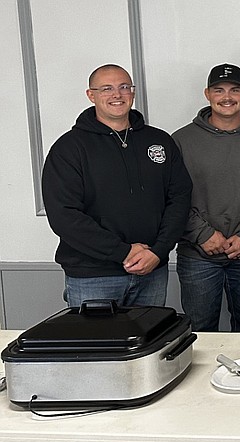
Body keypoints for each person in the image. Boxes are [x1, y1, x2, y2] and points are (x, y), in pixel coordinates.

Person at [42, 64, 192, 307]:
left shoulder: (160, 141)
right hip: (93, 276)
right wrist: (124, 252)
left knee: (149, 343)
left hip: (152, 270)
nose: (117, 95)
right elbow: (64, 215)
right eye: (107, 89)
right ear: (91, 95)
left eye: (124, 87)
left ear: (132, 92)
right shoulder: (69, 148)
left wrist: (158, 251)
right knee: (95, 345)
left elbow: (180, 198)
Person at [173, 63, 240, 332]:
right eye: (218, 90)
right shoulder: (181, 140)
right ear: (207, 94)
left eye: (234, 90)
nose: (227, 97)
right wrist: (201, 234)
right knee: (199, 331)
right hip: (197, 255)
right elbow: (171, 197)